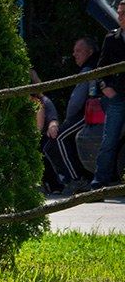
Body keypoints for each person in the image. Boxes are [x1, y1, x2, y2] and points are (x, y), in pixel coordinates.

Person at [44, 38, 98, 195]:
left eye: (78, 51)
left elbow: (77, 101)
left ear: (89, 52)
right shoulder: (91, 66)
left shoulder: (89, 69)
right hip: (85, 114)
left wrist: (68, 119)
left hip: (85, 115)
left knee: (59, 137)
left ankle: (77, 180)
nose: (74, 54)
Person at [93, 0, 125, 191]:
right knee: (109, 142)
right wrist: (106, 88)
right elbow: (100, 70)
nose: (120, 17)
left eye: (123, 13)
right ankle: (99, 185)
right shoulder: (112, 38)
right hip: (118, 97)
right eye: (119, 13)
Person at [31, 88, 62, 193]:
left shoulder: (41, 102)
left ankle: (55, 184)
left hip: (41, 134)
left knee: (41, 151)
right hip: (25, 136)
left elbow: (42, 126)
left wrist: (53, 126)